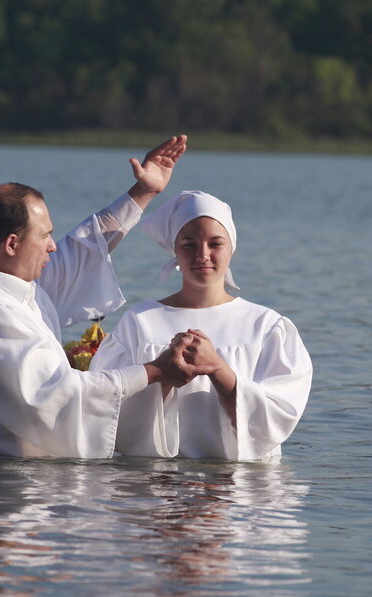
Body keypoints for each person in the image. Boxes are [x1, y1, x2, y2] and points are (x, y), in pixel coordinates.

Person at [0, 135, 202, 458]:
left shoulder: (12, 285)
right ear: (12, 244)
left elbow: (84, 247)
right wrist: (155, 371)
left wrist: (143, 193)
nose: (53, 245)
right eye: (45, 235)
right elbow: (59, 394)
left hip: (27, 484)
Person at [89, 190, 312, 460]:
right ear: (175, 249)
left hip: (239, 493)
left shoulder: (266, 327)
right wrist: (163, 375)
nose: (202, 255)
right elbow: (104, 407)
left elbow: (279, 415)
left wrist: (219, 370)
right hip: (156, 487)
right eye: (189, 244)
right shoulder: (141, 321)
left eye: (215, 244)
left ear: (232, 248)